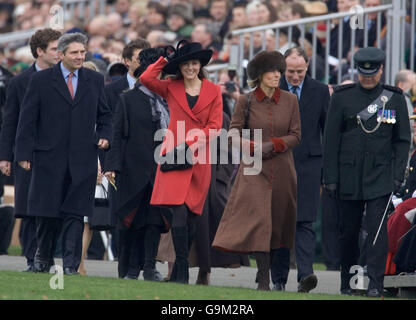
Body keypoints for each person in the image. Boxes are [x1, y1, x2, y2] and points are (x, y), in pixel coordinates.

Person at [14, 32, 112, 275]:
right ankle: (42, 259)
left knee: (76, 214)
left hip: (83, 158)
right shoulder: (41, 80)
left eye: (83, 52)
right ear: (61, 55)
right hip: (48, 157)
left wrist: (105, 136)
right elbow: (27, 120)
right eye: (75, 53)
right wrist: (23, 153)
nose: (80, 57)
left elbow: (106, 116)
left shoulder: (95, 80)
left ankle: (70, 264)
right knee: (47, 213)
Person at [323, 47, 411, 297]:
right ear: (358, 71)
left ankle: (374, 282)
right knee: (348, 232)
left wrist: (397, 173)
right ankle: (349, 282)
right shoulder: (342, 97)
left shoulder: (393, 98)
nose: (368, 78)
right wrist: (330, 177)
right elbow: (330, 140)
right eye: (364, 74)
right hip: (348, 175)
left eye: (373, 74)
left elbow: (402, 139)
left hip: (380, 174)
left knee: (376, 230)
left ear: (381, 70)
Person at [213, 50, 301, 291]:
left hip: (283, 168)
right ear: (260, 75)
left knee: (279, 222)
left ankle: (278, 278)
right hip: (254, 167)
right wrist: (253, 147)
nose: (277, 75)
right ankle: (263, 278)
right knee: (261, 221)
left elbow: (296, 135)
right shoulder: (246, 100)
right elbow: (232, 133)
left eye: (279, 71)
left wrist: (273, 145)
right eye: (272, 71)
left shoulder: (291, 100)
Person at [139, 40, 223, 284]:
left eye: (194, 63)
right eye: (185, 63)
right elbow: (146, 78)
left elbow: (215, 127)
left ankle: (179, 270)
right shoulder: (171, 87)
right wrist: (165, 59)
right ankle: (182, 267)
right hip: (174, 156)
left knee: (192, 214)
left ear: (201, 65)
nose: (190, 68)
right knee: (177, 210)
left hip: (198, 156)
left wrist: (191, 142)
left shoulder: (214, 91)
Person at [104, 47, 171, 281]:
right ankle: (129, 268)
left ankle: (150, 267)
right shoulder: (128, 98)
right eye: (158, 75)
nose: (162, 80)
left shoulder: (168, 100)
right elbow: (117, 134)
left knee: (154, 221)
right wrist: (112, 166)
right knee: (130, 221)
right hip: (132, 169)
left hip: (162, 169)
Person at [0, 28, 61, 272]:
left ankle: (46, 256)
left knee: (53, 209)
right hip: (28, 156)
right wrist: (5, 156)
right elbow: (10, 122)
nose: (59, 53)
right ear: (40, 51)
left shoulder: (66, 79)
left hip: (57, 154)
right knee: (29, 208)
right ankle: (31, 258)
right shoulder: (18, 82)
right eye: (56, 48)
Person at [271, 47, 329, 292]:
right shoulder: (273, 89)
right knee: (280, 221)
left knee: (304, 221)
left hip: (309, 165)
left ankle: (305, 275)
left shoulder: (319, 90)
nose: (295, 77)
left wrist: (326, 173)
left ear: (308, 67)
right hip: (278, 163)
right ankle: (279, 279)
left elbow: (327, 130)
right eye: (290, 72)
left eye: (300, 72)